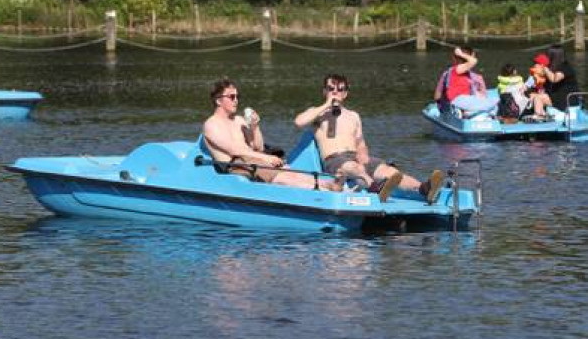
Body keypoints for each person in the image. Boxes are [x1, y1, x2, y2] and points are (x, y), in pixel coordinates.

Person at [295, 74, 445, 203]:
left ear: (345, 94)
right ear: (324, 91)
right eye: (331, 89)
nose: (335, 92)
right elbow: (299, 122)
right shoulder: (317, 113)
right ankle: (376, 189)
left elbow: (360, 143)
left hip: (355, 157)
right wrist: (327, 104)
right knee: (356, 168)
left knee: (390, 171)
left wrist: (363, 153)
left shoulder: (353, 116)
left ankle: (423, 189)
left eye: (340, 89)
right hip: (335, 161)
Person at [202, 78, 339, 191]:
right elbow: (234, 150)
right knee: (281, 176)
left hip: (250, 160)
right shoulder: (211, 125)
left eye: (238, 96)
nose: (236, 100)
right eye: (232, 97)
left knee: (288, 170)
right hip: (235, 166)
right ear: (218, 100)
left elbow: (257, 146)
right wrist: (266, 158)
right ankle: (322, 191)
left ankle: (329, 184)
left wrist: (255, 127)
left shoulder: (239, 120)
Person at [433, 45, 498, 117]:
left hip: (461, 99)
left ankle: (465, 112)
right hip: (458, 100)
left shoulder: (456, 72)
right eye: (472, 56)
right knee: (495, 102)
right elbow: (474, 61)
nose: (473, 57)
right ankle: (463, 112)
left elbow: (437, 96)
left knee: (488, 102)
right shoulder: (457, 69)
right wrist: (460, 53)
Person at [537, 44, 580, 112]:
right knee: (535, 96)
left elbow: (554, 79)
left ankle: (539, 117)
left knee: (538, 98)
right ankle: (540, 115)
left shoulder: (565, 67)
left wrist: (545, 68)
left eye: (548, 55)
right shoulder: (551, 68)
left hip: (566, 101)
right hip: (556, 98)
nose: (547, 57)